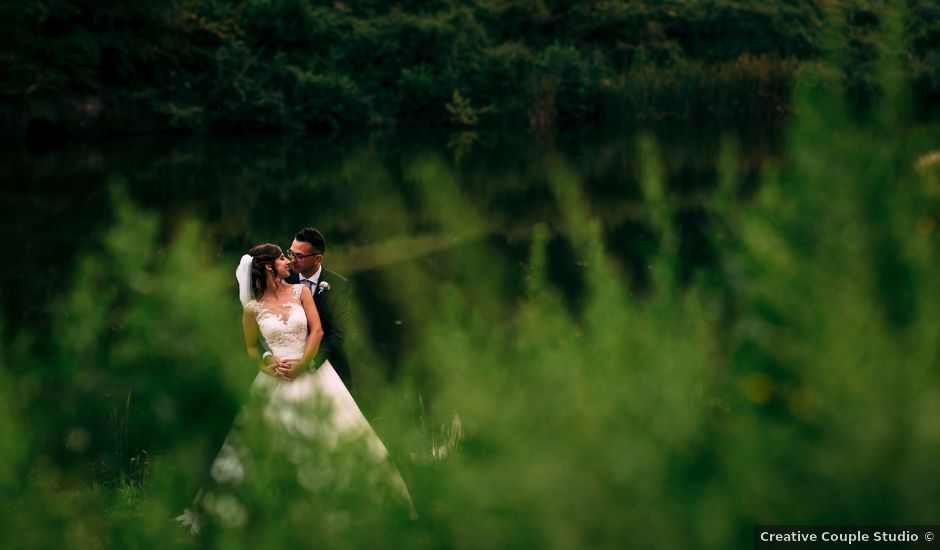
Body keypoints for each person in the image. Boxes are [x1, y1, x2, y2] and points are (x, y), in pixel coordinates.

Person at [177, 244, 413, 534]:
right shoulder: (252, 309)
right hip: (276, 382)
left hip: (314, 375)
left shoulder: (301, 292)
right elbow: (252, 348)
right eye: (280, 258)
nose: (287, 261)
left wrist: (305, 362)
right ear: (266, 266)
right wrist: (267, 363)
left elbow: (317, 330)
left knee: (334, 434)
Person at [281, 227, 353, 389]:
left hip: (327, 368)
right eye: (291, 253)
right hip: (287, 366)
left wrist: (308, 363)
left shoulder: (339, 286)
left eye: (299, 256)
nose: (292, 260)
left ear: (317, 258)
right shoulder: (283, 280)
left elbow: (337, 334)